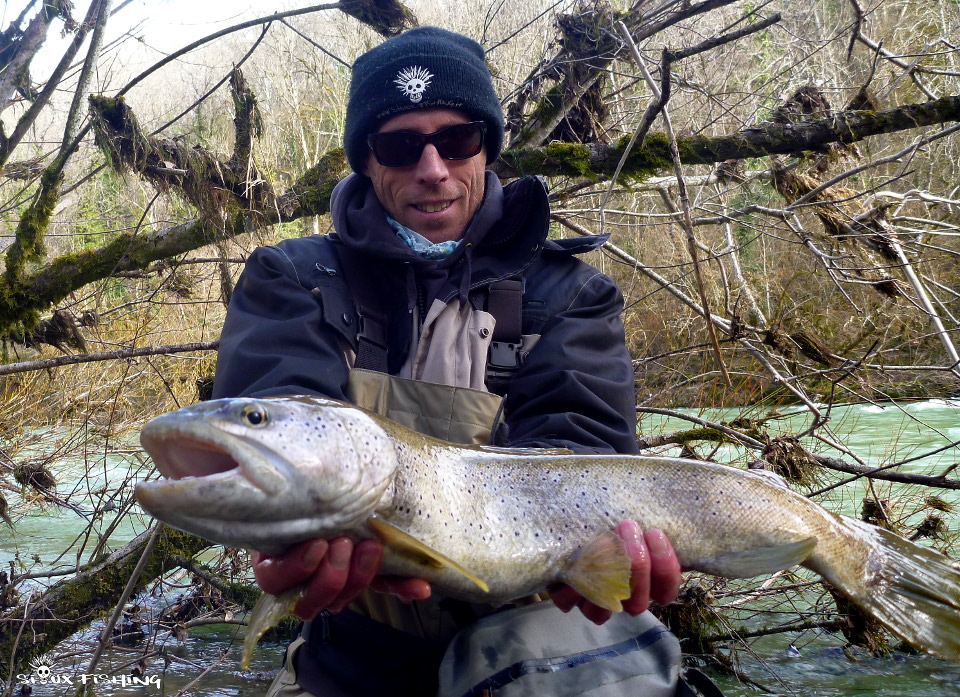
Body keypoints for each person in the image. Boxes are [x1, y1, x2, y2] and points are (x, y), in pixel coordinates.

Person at [213, 25, 695, 697]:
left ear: (488, 147)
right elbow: (279, 436)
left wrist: (616, 558)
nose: (432, 168)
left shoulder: (572, 294)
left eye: (458, 139)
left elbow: (584, 457)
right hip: (357, 643)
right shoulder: (292, 278)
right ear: (367, 161)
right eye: (400, 145)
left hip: (538, 631)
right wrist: (292, 543)